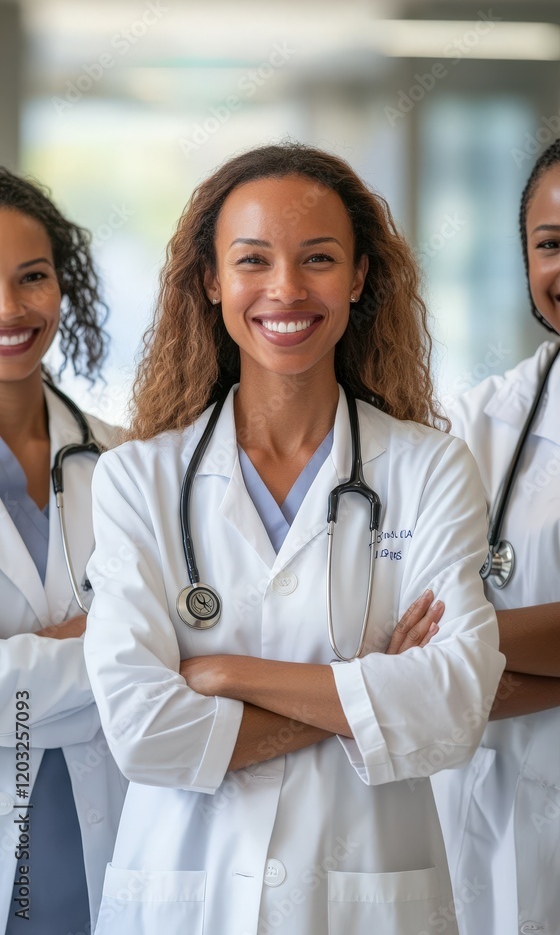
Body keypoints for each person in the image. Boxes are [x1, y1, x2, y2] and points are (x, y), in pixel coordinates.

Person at [83, 143, 504, 935]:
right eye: (253, 260)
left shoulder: (428, 467)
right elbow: (143, 734)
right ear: (210, 281)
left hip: (365, 902)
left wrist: (224, 672)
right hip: (187, 896)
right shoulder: (138, 479)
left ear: (359, 277)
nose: (285, 289)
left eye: (318, 258)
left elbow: (453, 709)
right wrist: (372, 687)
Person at [432, 138, 560, 935]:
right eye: (551, 244)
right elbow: (407, 644)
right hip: (492, 837)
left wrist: (461, 656)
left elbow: (445, 659)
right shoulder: (474, 427)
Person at [0, 168, 127, 935]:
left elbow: (177, 667)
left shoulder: (123, 461)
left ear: (64, 283)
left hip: (110, 840)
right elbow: (150, 655)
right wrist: (119, 648)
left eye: (33, 277)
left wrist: (27, 660)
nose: (11, 310)